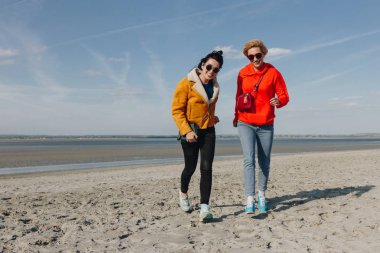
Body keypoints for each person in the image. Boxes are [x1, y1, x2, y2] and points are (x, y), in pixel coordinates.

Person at [233, 39, 289, 214]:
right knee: (249, 159)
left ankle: (261, 194)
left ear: (263, 54)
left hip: (266, 123)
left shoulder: (273, 73)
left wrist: (278, 101)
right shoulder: (242, 73)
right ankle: (249, 198)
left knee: (264, 161)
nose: (255, 59)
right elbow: (238, 97)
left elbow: (285, 95)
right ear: (247, 57)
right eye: (251, 56)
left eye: (258, 55)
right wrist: (236, 117)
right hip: (245, 121)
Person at [171, 50, 223, 222]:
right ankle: (183, 194)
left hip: (208, 131)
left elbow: (207, 107)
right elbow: (177, 111)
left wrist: (212, 118)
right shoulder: (186, 83)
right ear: (202, 65)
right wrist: (187, 131)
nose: (211, 71)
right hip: (190, 132)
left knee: (207, 168)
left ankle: (204, 208)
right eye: (209, 67)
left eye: (216, 69)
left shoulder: (215, 86)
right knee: (190, 168)